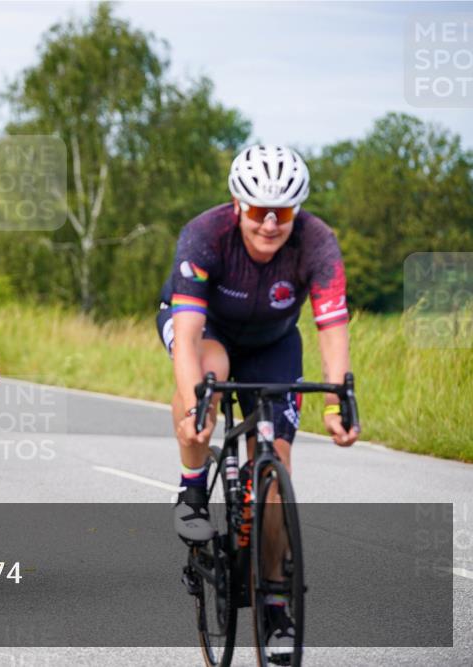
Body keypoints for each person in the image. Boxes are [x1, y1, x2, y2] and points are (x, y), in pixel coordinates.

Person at [157, 145, 360, 658]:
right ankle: (192, 488)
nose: (270, 224)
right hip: (207, 329)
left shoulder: (318, 242)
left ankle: (274, 605)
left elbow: (332, 329)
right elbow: (188, 337)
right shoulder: (205, 234)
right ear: (237, 204)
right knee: (206, 382)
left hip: (274, 342)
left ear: (298, 211)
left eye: (283, 213)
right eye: (259, 211)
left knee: (277, 464)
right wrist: (196, 407)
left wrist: (338, 402)